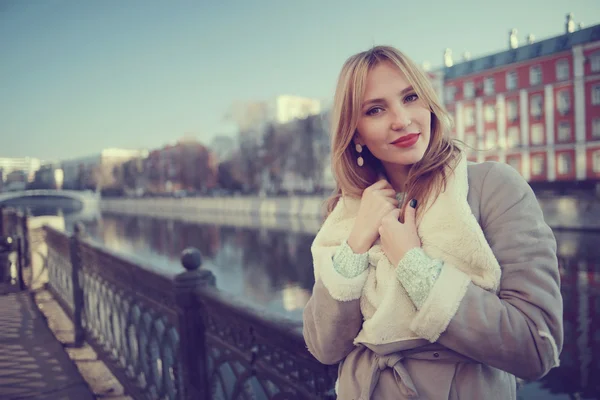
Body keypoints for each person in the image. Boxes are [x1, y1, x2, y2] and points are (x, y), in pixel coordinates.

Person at [302, 45, 563, 399]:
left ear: (429, 102)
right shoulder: (347, 213)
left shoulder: (492, 187)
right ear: (356, 133)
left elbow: (536, 347)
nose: (402, 119)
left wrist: (415, 266)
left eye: (410, 97)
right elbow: (324, 347)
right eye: (376, 109)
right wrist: (356, 245)